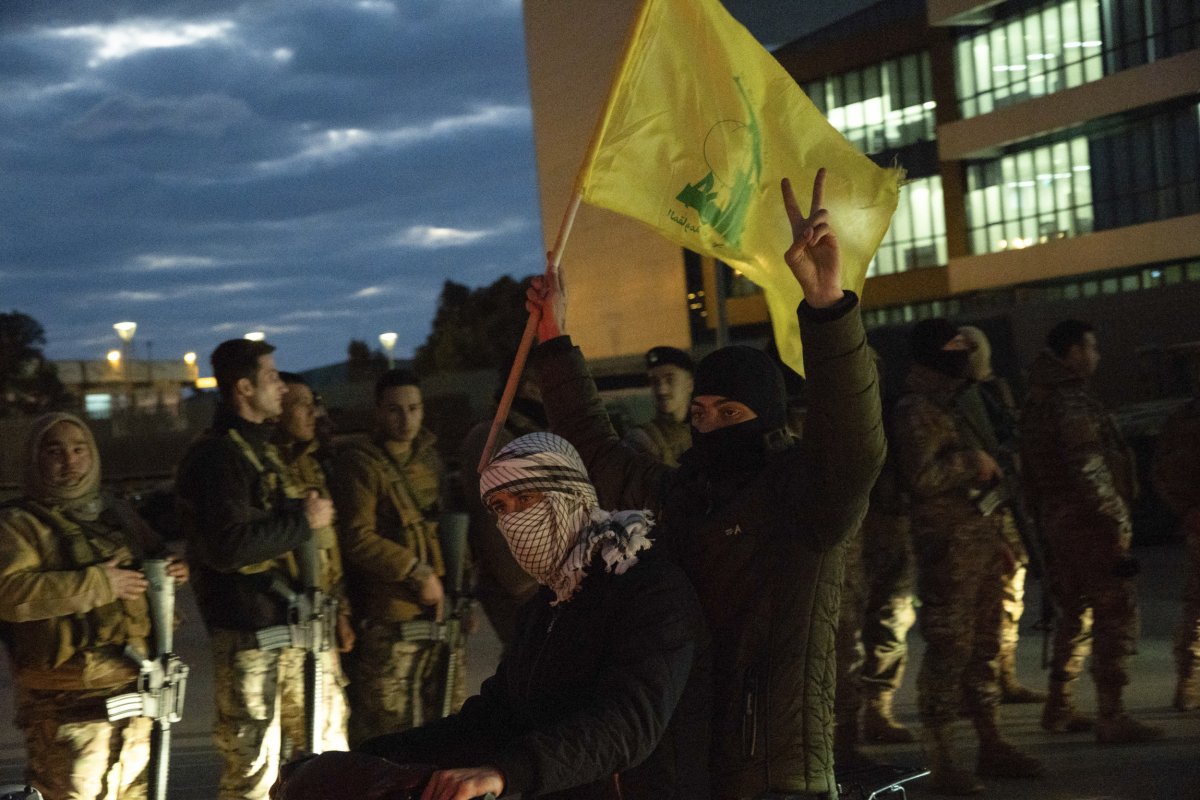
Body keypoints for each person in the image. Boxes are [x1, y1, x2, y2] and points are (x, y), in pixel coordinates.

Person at [525, 169, 885, 799]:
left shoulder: (806, 503)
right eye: (702, 412)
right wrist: (555, 341)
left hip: (776, 773)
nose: (710, 424)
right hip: (684, 762)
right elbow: (594, 451)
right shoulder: (676, 495)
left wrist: (828, 310)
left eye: (731, 413)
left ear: (766, 419)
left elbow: (854, 442)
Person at [356, 431, 711, 800]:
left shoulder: (649, 587)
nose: (513, 520)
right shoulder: (549, 604)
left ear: (571, 494)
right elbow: (497, 717)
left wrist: (505, 772)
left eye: (525, 498)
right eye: (499, 507)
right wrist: (373, 757)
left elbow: (627, 724)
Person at [175, 339, 335, 799]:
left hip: (293, 632)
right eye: (271, 377)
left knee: (321, 765)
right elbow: (226, 546)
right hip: (251, 638)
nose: (281, 387)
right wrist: (302, 521)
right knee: (254, 775)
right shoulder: (217, 456)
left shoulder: (257, 449)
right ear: (243, 388)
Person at [0, 413, 187, 800]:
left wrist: (173, 570)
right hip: (69, 704)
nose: (70, 461)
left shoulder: (116, 514)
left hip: (136, 691)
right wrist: (100, 584)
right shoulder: (18, 524)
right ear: (35, 459)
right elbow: (12, 593)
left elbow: (154, 559)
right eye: (55, 452)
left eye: (78, 450)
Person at [892, 319, 1042, 795]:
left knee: (984, 646)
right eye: (952, 344)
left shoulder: (959, 400)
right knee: (949, 651)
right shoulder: (917, 408)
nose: (962, 351)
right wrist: (970, 464)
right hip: (946, 550)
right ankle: (941, 759)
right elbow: (920, 478)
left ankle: (990, 741)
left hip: (977, 541)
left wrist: (994, 535)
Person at [1020, 320, 1163, 743]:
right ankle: (1112, 715)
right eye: (1092, 347)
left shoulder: (1038, 397)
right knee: (1116, 614)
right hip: (1090, 526)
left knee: (1073, 614)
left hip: (1059, 524)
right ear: (1073, 352)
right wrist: (1115, 522)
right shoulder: (1069, 399)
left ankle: (1060, 706)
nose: (1097, 355)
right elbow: (1089, 468)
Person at [329, 368, 457, 746]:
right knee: (388, 730)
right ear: (377, 412)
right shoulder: (360, 463)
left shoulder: (430, 460)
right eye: (394, 410)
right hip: (389, 615)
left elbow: (447, 528)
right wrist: (416, 572)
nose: (406, 420)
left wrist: (458, 591)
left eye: (414, 409)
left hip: (439, 613)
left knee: (444, 725)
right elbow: (357, 537)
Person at [957, 325, 1046, 705]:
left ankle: (1003, 674)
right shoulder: (956, 399)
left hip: (1003, 503)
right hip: (974, 509)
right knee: (981, 603)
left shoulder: (992, 393)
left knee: (1010, 594)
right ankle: (979, 681)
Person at [272, 372, 355, 750]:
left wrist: (340, 610)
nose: (313, 413)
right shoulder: (264, 466)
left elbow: (328, 551)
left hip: (320, 620)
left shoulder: (311, 464)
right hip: (282, 624)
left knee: (328, 741)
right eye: (302, 405)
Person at [457, 367, 542, 651]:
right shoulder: (493, 439)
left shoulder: (534, 434)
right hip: (527, 597)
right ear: (530, 386)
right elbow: (501, 530)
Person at [1152, 388, 1200, 711]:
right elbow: (1167, 470)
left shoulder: (1184, 417)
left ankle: (1189, 680)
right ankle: (1189, 679)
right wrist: (1189, 510)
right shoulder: (1188, 420)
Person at [622, 346, 695, 467]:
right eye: (655, 381)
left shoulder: (708, 430)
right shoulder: (643, 440)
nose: (662, 390)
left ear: (690, 384)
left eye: (670, 379)